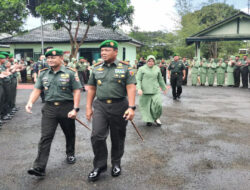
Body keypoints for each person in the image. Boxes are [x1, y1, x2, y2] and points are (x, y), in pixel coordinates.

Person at [25, 48, 82, 177]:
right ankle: (39, 167)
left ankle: (70, 153)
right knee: (46, 137)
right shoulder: (43, 73)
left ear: (61, 58)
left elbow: (77, 91)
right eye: (48, 58)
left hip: (66, 107)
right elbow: (37, 90)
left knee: (69, 133)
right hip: (49, 108)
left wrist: (75, 108)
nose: (50, 60)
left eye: (53, 58)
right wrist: (30, 102)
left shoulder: (70, 73)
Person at [86, 40, 136, 182]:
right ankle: (99, 166)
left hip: (119, 105)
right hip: (100, 106)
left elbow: (131, 87)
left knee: (118, 137)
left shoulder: (126, 68)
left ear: (115, 52)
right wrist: (89, 107)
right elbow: (92, 89)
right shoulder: (96, 68)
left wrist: (131, 107)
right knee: (97, 136)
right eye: (102, 51)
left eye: (107, 50)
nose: (103, 53)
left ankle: (116, 163)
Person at [136, 55, 167, 126]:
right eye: (149, 61)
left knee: (158, 105)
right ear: (147, 61)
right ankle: (148, 120)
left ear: (154, 62)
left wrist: (164, 87)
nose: (151, 62)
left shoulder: (157, 69)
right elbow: (138, 79)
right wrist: (139, 88)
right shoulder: (141, 69)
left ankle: (156, 118)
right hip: (145, 91)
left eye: (152, 61)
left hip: (155, 90)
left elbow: (160, 79)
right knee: (146, 107)